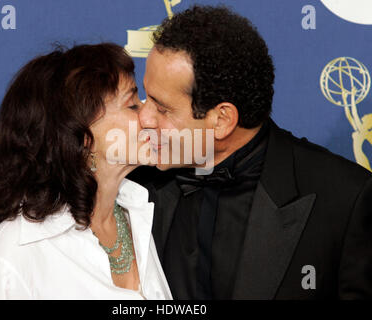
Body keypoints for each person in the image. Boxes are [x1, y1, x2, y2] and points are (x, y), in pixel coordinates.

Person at [129, 5, 372, 299]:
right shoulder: (132, 184)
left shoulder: (343, 200)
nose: (143, 118)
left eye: (161, 107)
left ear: (222, 120)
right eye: (145, 97)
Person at [0, 43, 172, 300]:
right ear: (80, 135)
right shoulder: (11, 258)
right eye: (132, 106)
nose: (150, 117)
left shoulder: (140, 214)